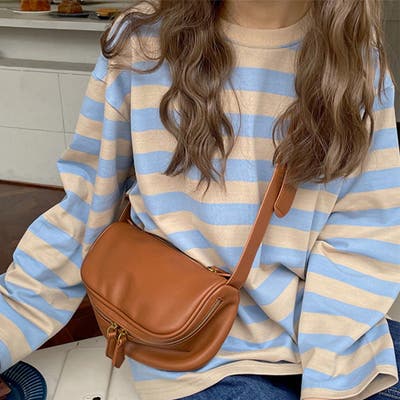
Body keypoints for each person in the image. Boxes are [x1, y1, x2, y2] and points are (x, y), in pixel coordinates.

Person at [1, 0, 399, 399]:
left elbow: (360, 238)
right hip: (196, 351)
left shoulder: (358, 60)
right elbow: (83, 215)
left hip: (329, 337)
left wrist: (330, 379)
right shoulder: (142, 41)